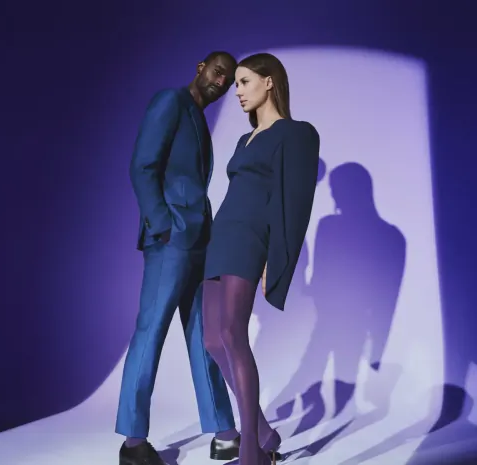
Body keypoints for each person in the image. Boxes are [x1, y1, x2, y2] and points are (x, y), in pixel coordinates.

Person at [116, 52, 243, 465]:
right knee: (150, 332)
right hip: (170, 241)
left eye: (228, 80)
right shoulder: (170, 101)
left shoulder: (197, 117)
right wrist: (163, 225)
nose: (221, 82)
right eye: (217, 71)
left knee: (204, 337)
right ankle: (134, 444)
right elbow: (142, 166)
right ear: (200, 67)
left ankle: (224, 432)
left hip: (197, 242)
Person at [201, 53, 321, 465]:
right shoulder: (243, 140)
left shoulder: (297, 134)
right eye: (235, 83)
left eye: (244, 81)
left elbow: (295, 203)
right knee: (211, 341)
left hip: (251, 239)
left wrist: (277, 258)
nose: (236, 91)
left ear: (270, 82)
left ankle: (252, 452)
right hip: (222, 237)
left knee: (234, 335)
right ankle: (266, 432)